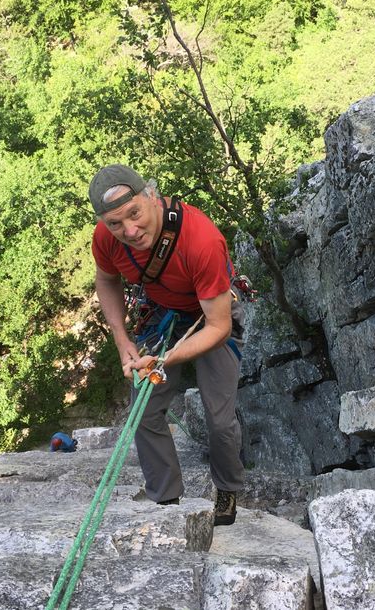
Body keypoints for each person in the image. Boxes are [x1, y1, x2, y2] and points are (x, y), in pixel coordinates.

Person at [88, 163, 244, 526]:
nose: (129, 230)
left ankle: (228, 488)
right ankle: (166, 497)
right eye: (115, 223)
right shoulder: (106, 237)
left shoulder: (201, 241)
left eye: (134, 214)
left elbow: (219, 327)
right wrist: (121, 337)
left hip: (214, 312)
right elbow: (106, 279)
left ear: (152, 196)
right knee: (143, 409)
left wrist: (164, 359)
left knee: (219, 418)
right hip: (161, 313)